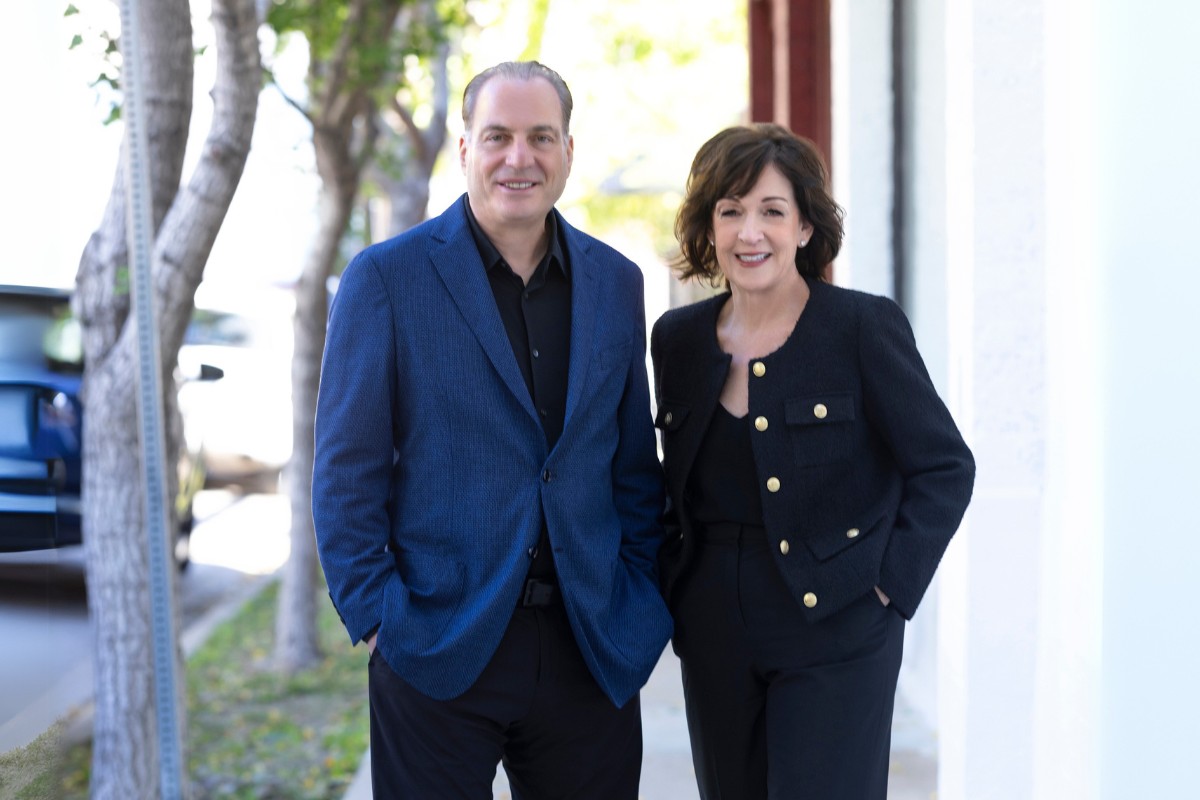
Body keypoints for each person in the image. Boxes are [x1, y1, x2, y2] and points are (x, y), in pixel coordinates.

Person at [311, 61, 671, 798]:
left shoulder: (616, 282)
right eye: (498, 136)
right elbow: (346, 473)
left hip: (590, 645)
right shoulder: (386, 279)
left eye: (541, 137)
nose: (519, 157)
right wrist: (380, 621)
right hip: (436, 644)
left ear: (568, 150)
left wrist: (637, 601)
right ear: (465, 149)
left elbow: (633, 464)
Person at [650, 123, 975, 800]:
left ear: (804, 227)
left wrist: (888, 588)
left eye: (772, 211)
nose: (750, 233)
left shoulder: (861, 326)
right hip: (712, 626)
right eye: (731, 211)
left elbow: (944, 467)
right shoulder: (677, 340)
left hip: (838, 623)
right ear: (708, 226)